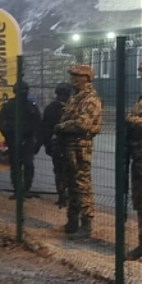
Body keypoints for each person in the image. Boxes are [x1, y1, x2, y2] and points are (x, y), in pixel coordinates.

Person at [55, 64, 102, 237]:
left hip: (80, 146)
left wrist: (62, 126)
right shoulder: (75, 98)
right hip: (69, 145)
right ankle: (72, 221)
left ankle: (86, 224)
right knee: (71, 184)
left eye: (77, 76)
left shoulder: (90, 99)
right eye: (72, 76)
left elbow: (83, 124)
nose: (73, 79)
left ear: (86, 78)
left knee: (82, 185)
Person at [0, 81, 42, 199]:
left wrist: (8, 136)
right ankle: (20, 190)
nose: (23, 93)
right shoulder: (11, 106)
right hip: (18, 140)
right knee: (20, 165)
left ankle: (23, 190)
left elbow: (38, 124)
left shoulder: (29, 106)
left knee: (23, 165)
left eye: (25, 90)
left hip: (23, 140)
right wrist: (8, 136)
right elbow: (0, 123)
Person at [39, 83, 72, 207]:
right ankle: (69, 196)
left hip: (56, 145)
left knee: (59, 172)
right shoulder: (73, 108)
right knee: (71, 172)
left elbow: (44, 128)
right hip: (70, 145)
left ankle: (62, 196)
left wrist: (47, 145)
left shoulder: (51, 108)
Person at [126, 62, 142, 259]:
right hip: (138, 158)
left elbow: (132, 119)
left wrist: (132, 119)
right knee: (140, 202)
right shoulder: (140, 99)